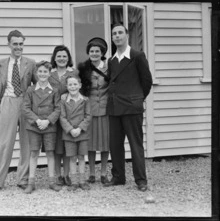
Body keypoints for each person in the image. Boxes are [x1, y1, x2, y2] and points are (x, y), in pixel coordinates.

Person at [104, 24, 153, 192]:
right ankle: (118, 177)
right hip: (114, 108)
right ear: (112, 38)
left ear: (127, 35)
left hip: (132, 108)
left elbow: (147, 81)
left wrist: (137, 99)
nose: (117, 36)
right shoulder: (111, 60)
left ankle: (141, 180)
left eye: (120, 33)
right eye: (114, 34)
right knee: (115, 145)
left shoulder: (137, 56)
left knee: (135, 144)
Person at [0, 30, 37, 193]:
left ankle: (23, 179)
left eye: (21, 44)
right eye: (15, 44)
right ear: (8, 44)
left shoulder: (31, 63)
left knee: (26, 143)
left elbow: (37, 86)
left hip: (25, 103)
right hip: (7, 102)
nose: (18, 47)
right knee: (4, 143)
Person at [22, 61, 62, 194]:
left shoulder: (54, 90)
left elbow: (57, 108)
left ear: (49, 73)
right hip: (34, 126)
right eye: (40, 71)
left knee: (50, 153)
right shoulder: (30, 90)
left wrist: (48, 121)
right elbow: (26, 108)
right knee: (34, 153)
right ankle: (31, 183)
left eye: (45, 72)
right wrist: (37, 120)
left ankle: (52, 182)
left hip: (49, 127)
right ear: (36, 73)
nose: (43, 74)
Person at [78, 37, 110, 185]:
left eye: (97, 51)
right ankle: (91, 173)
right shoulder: (84, 68)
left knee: (105, 142)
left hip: (106, 109)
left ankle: (103, 173)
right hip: (90, 109)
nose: (94, 53)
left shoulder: (109, 67)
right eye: (92, 51)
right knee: (90, 143)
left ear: (102, 52)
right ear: (88, 52)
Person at [49, 45, 79, 186]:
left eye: (64, 56)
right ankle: (58, 175)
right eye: (59, 56)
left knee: (68, 145)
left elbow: (78, 91)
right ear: (54, 58)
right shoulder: (50, 73)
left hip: (69, 114)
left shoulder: (74, 73)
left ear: (68, 58)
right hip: (54, 114)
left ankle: (67, 174)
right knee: (56, 146)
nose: (61, 59)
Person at [59, 76, 92, 191]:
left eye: (75, 84)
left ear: (80, 85)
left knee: (81, 157)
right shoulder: (63, 100)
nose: (73, 87)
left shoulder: (85, 100)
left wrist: (80, 128)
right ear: (66, 87)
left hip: (82, 133)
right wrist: (70, 129)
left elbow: (88, 116)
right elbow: (62, 117)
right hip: (69, 134)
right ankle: (74, 182)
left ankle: (82, 181)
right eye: (70, 85)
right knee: (72, 158)